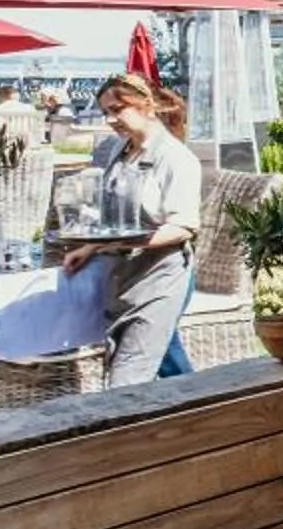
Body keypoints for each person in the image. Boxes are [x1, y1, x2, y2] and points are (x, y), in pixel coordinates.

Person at [62, 73, 201, 386]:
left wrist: (130, 240)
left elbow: (184, 226)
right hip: (122, 278)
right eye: (106, 112)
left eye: (117, 109)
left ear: (147, 105)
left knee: (127, 378)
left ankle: (128, 427)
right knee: (167, 362)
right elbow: (115, 221)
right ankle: (202, 411)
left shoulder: (177, 159)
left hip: (161, 276)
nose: (111, 119)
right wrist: (90, 247)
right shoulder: (118, 151)